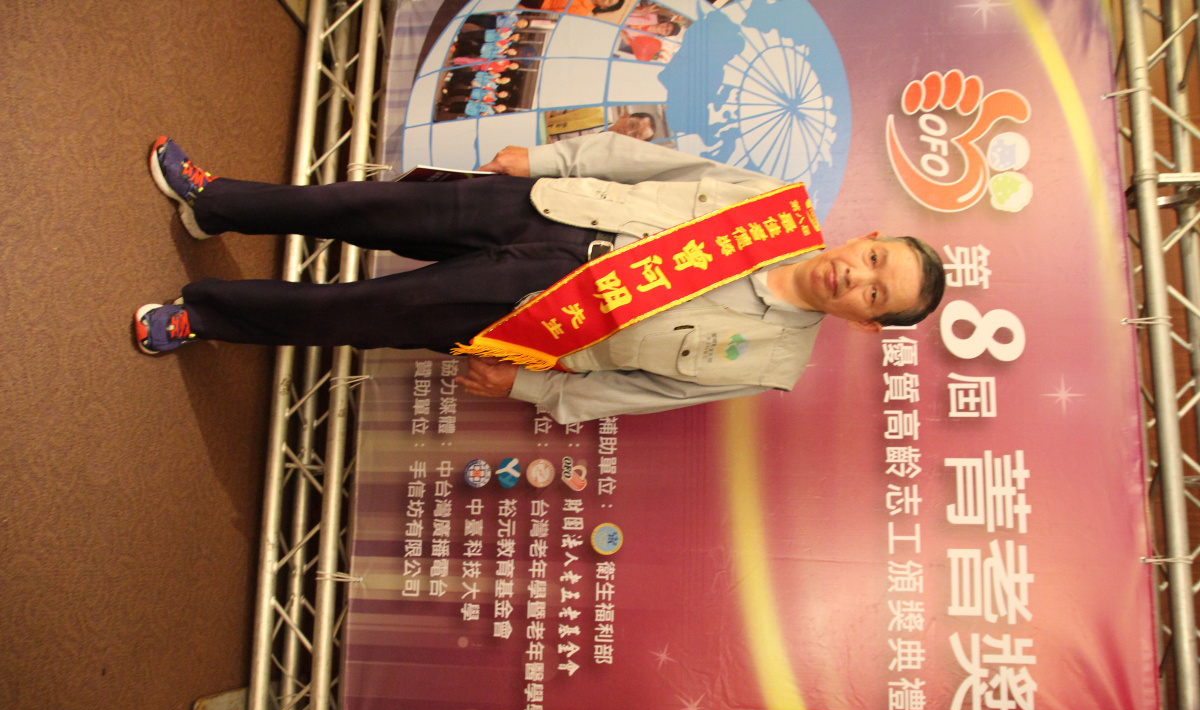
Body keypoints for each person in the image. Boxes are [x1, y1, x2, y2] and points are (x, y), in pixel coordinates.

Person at [136, 133, 944, 423]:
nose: (855, 277)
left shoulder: (771, 364)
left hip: (541, 314)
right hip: (546, 210)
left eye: (875, 294)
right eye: (875, 260)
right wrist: (551, 158)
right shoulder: (773, 207)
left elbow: (642, 396)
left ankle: (203, 316)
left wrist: (530, 389)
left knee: (359, 313)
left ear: (867, 323)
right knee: (361, 208)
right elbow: (648, 162)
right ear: (868, 238)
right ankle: (215, 202)